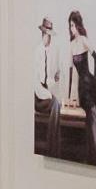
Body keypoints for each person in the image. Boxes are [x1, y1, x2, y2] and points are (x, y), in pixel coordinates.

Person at [66, 10, 96, 164]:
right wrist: (70, 96)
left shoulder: (83, 40)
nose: (71, 28)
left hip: (91, 85)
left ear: (78, 25)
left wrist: (93, 76)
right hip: (82, 88)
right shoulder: (71, 45)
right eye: (70, 26)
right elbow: (71, 73)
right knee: (89, 117)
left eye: (73, 25)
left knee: (93, 117)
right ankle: (92, 156)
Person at [34, 17, 62, 156]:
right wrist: (49, 95)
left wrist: (56, 77)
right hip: (38, 96)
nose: (49, 38)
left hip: (47, 93)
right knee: (56, 104)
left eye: (50, 36)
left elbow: (52, 77)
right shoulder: (37, 52)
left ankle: (53, 145)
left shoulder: (53, 52)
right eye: (47, 35)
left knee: (57, 104)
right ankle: (52, 146)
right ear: (43, 34)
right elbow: (36, 83)